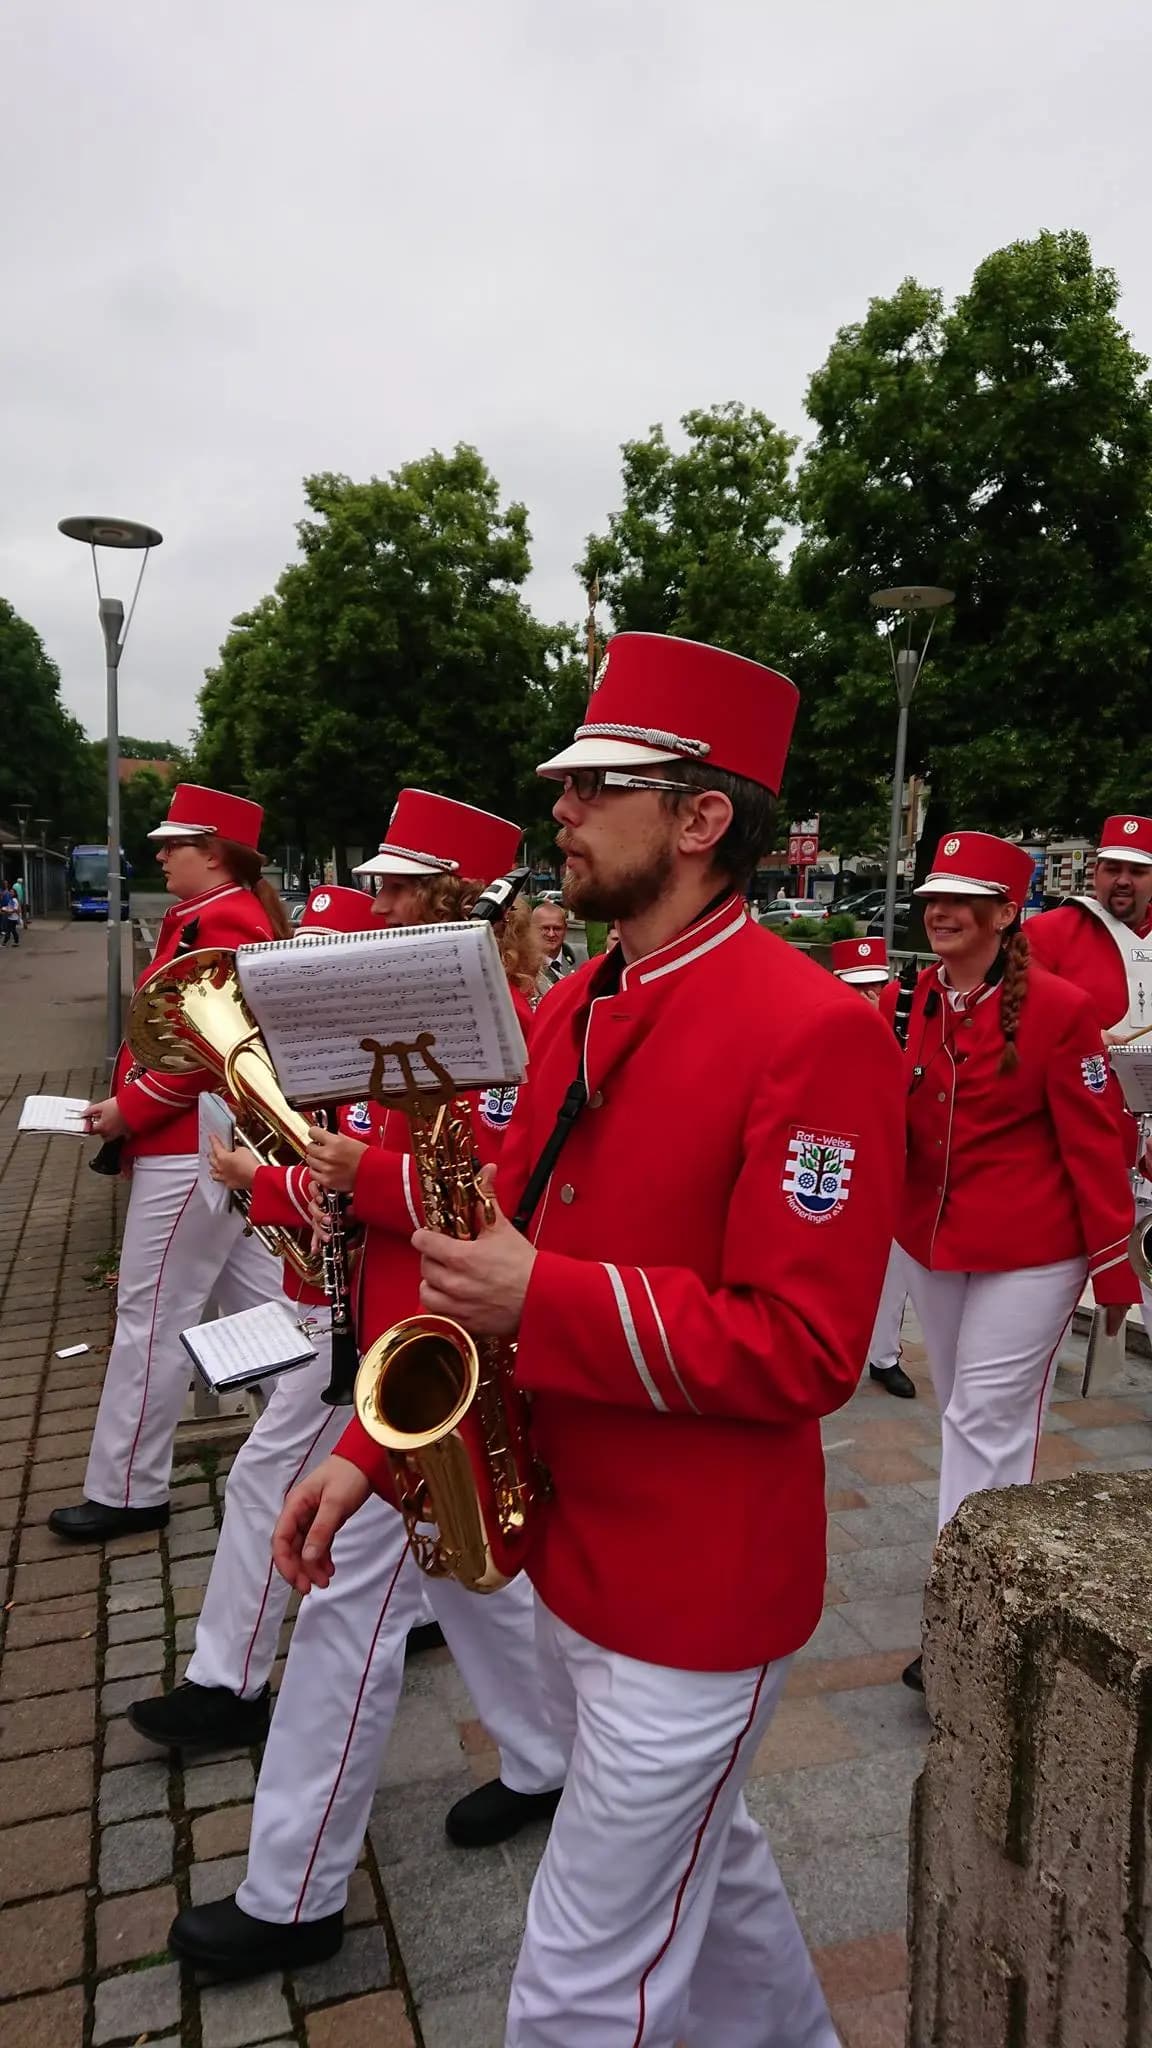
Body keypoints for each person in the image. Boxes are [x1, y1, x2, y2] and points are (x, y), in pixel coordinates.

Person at [274, 634, 906, 2047]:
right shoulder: (577, 999)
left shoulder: (815, 1031)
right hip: (583, 1557)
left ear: (701, 819)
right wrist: (373, 1451)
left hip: (697, 1594)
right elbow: (492, 1248)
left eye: (593, 785)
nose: (556, 809)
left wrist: (539, 1296)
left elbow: (807, 1347)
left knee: (576, 1992)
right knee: (714, 1882)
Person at [165, 792, 567, 1981]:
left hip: (440, 1341)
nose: (375, 901)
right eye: (380, 883)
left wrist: (361, 1175)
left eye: (400, 887)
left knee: (347, 1607)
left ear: (455, 900)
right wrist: (293, 1186)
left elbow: (497, 1195)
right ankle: (550, 1756)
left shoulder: (510, 1028)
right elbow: (347, 1174)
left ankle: (294, 1888)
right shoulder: (386, 1014)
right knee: (475, 1576)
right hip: (387, 1333)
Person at [894, 831, 1139, 1691]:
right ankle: (971, 1583)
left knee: (985, 1421)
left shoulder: (1063, 1008)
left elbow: (1097, 1138)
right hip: (935, 1241)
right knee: (962, 1410)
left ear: (1007, 914)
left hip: (1033, 1250)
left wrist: (1115, 1266)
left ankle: (967, 1612)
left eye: (962, 899)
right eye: (932, 897)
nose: (941, 911)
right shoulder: (920, 993)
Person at [48, 785, 289, 1542]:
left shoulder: (224, 920)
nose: (159, 854)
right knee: (266, 1315)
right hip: (198, 1142)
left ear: (214, 854)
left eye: (173, 844)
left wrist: (133, 1108)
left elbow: (208, 1051)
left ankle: (129, 1487)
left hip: (190, 1145)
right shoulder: (216, 915)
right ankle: (325, 1433)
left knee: (151, 1314)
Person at [1027, 815, 1152, 1337]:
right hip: (1082, 1134)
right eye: (1111, 868)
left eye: (1137, 870)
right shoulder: (1050, 932)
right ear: (1095, 873)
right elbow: (1019, 1019)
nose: (1121, 880)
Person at [830, 936, 915, 1400]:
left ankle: (884, 1356)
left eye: (875, 987)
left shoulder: (906, 1033)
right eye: (857, 988)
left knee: (894, 1267)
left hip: (890, 1167)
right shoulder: (824, 1032)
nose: (868, 996)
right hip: (838, 1165)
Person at [531, 900, 576, 995]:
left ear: (565, 929)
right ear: (531, 928)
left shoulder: (581, 958)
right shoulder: (521, 966)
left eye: (557, 928)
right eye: (545, 928)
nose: (551, 934)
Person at [0, 880, 21, 945]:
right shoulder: (11, 900)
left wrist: (7, 911)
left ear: (14, 893)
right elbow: (10, 907)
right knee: (11, 930)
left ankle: (6, 942)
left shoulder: (14, 900)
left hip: (13, 918)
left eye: (12, 892)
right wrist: (4, 909)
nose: (10, 893)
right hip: (11, 918)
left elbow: (14, 909)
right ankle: (12, 942)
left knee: (11, 930)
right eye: (10, 892)